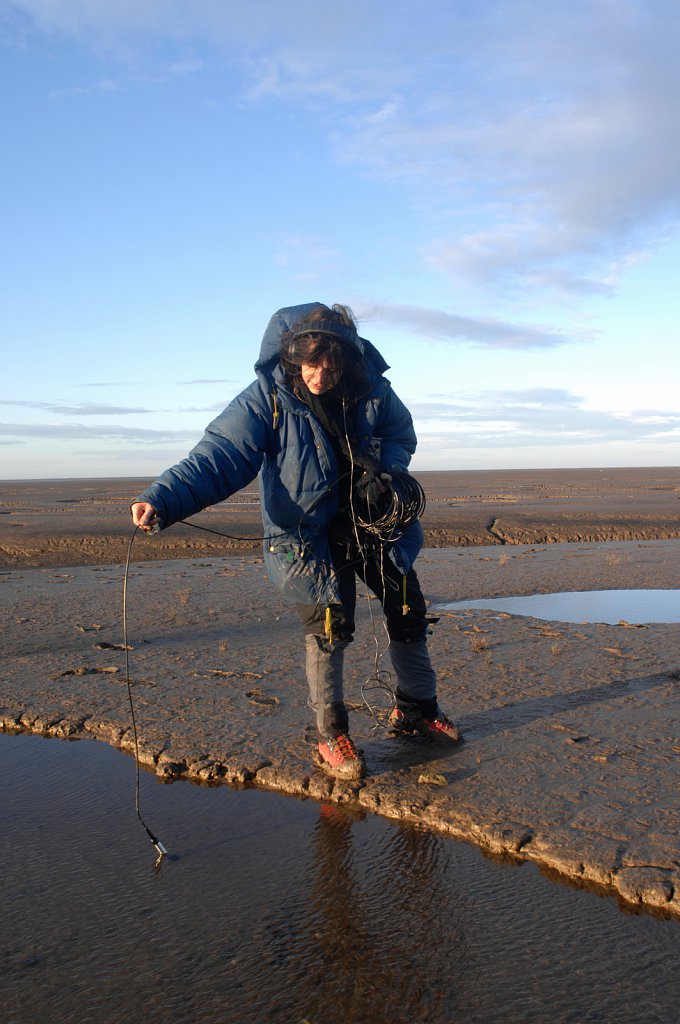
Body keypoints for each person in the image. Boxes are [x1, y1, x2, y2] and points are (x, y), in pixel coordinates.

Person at [131, 302, 461, 782]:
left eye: (332, 366)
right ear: (293, 357)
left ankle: (416, 709)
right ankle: (331, 736)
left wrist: (387, 470)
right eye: (311, 365)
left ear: (347, 359)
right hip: (305, 539)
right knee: (330, 629)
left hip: (373, 524)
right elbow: (218, 456)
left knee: (408, 609)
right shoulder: (265, 398)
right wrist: (161, 499)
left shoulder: (372, 388)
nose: (321, 376)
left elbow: (399, 432)